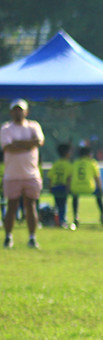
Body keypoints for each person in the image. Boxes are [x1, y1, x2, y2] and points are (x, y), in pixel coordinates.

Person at [2, 99, 45, 249]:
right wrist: (28, 145)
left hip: (31, 174)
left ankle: (32, 237)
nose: (18, 112)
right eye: (15, 110)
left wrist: (18, 144)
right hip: (12, 174)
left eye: (20, 110)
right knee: (12, 205)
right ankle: (8, 237)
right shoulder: (6, 128)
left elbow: (39, 141)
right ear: (11, 112)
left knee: (31, 205)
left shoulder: (33, 126)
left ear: (26, 112)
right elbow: (8, 147)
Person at [69, 145, 103, 226]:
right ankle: (102, 215)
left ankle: (75, 217)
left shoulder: (75, 163)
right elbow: (97, 178)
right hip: (89, 188)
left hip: (76, 188)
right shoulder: (92, 163)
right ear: (88, 154)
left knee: (75, 197)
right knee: (99, 195)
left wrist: (69, 188)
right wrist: (100, 188)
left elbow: (70, 177)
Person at [47, 143, 74, 231]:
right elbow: (69, 178)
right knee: (63, 205)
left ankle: (57, 221)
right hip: (63, 187)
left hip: (55, 187)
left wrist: (50, 187)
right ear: (66, 153)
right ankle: (62, 221)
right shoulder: (68, 164)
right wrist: (68, 189)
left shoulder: (56, 164)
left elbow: (50, 176)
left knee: (57, 205)